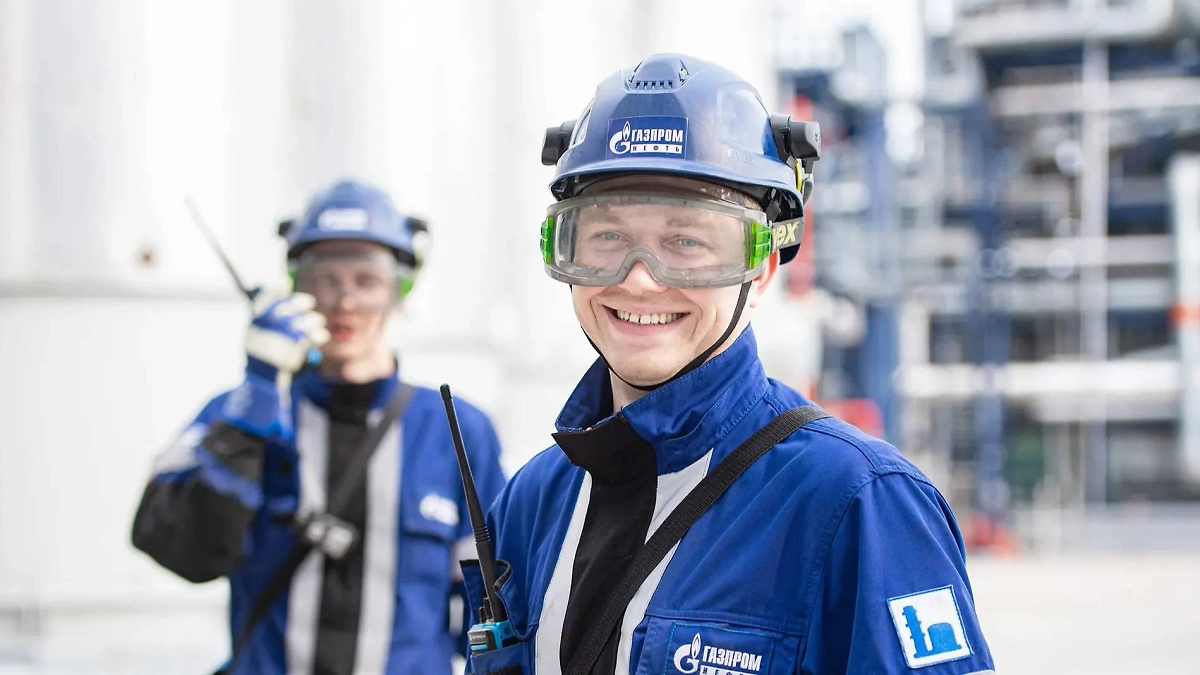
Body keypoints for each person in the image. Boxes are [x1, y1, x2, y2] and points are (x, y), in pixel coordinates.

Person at [460, 55, 995, 674]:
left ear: (760, 269)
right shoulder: (534, 500)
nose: (639, 279)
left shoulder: (859, 504)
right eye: (607, 237)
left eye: (687, 242)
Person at [132, 178, 508, 675]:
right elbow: (181, 551)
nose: (345, 302)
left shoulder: (457, 430)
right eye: (324, 279)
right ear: (295, 285)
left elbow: (496, 610)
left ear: (401, 290)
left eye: (367, 280)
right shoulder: (238, 412)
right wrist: (256, 399)